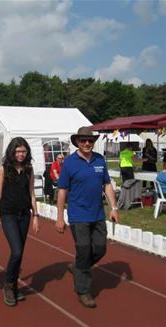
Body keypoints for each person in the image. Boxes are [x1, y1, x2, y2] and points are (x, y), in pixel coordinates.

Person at [55, 126, 119, 308]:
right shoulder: (69, 162)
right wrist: (60, 217)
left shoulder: (100, 160)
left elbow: (107, 185)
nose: (87, 143)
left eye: (90, 140)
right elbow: (62, 191)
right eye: (83, 140)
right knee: (84, 250)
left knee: (99, 250)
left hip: (98, 214)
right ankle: (83, 290)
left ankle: (77, 267)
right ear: (77, 142)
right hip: (78, 215)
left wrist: (113, 207)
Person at [0, 137, 40, 307]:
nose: (21, 154)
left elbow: (32, 193)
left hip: (24, 215)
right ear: (11, 152)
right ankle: (9, 285)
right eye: (18, 151)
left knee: (19, 253)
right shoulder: (3, 170)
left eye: (24, 151)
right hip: (8, 214)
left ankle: (13, 284)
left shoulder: (28, 169)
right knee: (16, 251)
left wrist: (36, 216)